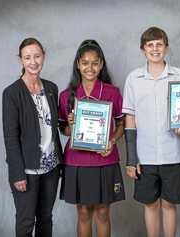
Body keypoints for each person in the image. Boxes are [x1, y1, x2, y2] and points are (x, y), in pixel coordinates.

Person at [123, 26, 180, 237]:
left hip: (172, 153)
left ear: (166, 47)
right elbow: (130, 118)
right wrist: (131, 158)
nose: (155, 49)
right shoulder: (134, 78)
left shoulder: (179, 75)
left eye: (159, 44)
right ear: (143, 49)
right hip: (145, 154)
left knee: (169, 204)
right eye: (150, 45)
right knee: (150, 204)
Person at [58, 39, 125, 237]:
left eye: (95, 62)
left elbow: (121, 125)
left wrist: (111, 141)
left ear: (102, 64)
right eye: (85, 62)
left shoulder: (112, 92)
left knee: (103, 212)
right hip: (77, 161)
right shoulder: (66, 95)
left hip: (105, 158)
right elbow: (63, 130)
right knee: (84, 212)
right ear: (78, 64)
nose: (90, 67)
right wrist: (70, 126)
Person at [2, 37, 63, 237]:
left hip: (51, 167)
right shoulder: (11, 93)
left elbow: (56, 127)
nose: (33, 62)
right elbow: (11, 138)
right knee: (26, 221)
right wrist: (17, 173)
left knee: (45, 217)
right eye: (27, 57)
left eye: (37, 56)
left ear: (44, 56)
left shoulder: (52, 89)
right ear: (20, 60)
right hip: (26, 171)